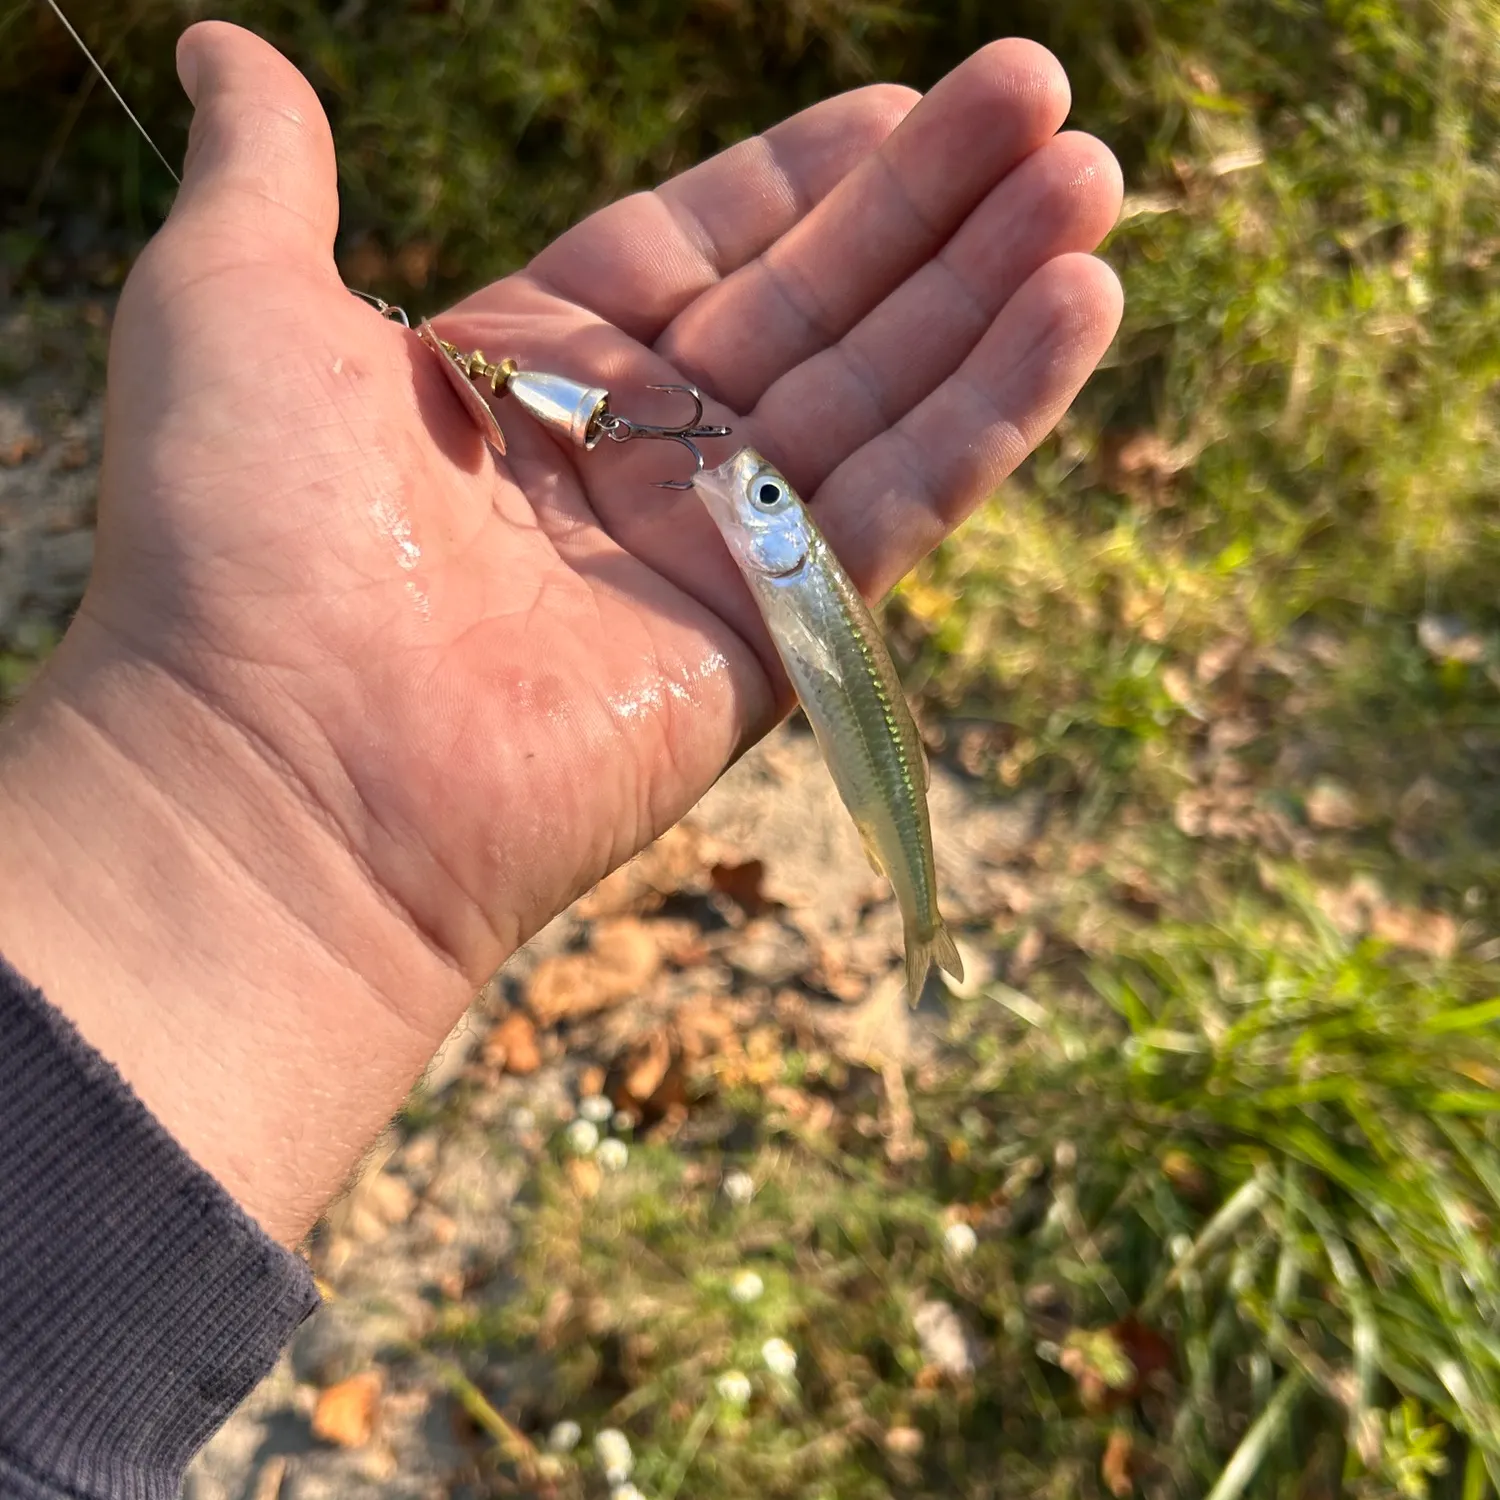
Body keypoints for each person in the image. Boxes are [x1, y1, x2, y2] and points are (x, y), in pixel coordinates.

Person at [0, 19, 1123, 1497]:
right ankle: (925, 928)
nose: (757, 493)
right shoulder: (711, 489)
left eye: (765, 495)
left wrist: (226, 798)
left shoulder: (784, 554)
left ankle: (925, 919)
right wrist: (230, 764)